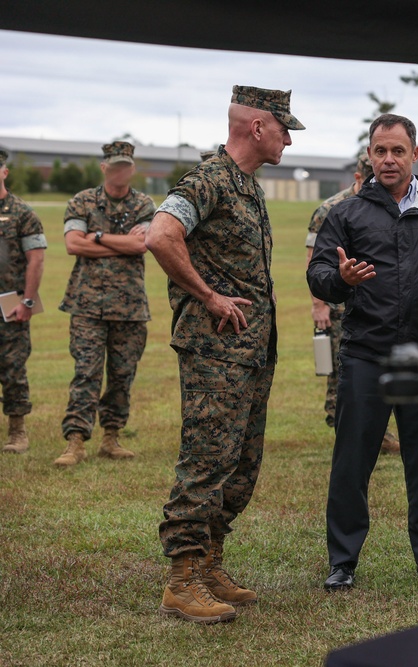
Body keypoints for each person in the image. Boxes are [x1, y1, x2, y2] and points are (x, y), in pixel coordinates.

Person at [307, 113, 418, 591]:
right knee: (352, 462)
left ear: (415, 154)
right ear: (369, 155)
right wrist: (339, 282)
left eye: (397, 151)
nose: (388, 160)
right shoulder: (346, 214)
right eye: (380, 151)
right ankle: (342, 561)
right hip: (367, 354)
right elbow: (318, 274)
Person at [146, 85, 304, 623]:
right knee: (207, 460)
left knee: (240, 465)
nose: (288, 138)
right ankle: (182, 580)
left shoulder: (249, 187)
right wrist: (208, 295)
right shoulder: (209, 178)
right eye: (284, 128)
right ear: (257, 127)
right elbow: (161, 235)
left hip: (250, 351)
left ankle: (210, 563)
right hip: (214, 351)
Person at [53, 140, 155, 467]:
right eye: (114, 166)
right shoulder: (82, 201)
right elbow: (72, 245)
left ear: (133, 168)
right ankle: (75, 442)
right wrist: (120, 243)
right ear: (103, 167)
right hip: (86, 305)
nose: (119, 171)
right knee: (86, 373)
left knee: (122, 375)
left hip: (129, 307)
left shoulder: (144, 205)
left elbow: (142, 245)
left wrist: (95, 238)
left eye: (125, 166)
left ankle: (111, 438)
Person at [306, 153, 399, 454]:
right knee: (340, 370)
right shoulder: (330, 210)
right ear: (359, 177)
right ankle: (343, 426)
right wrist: (319, 305)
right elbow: (314, 262)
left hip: (373, 307)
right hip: (336, 304)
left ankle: (377, 431)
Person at [0, 149, 46, 454]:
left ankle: (17, 432)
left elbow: (36, 260)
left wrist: (28, 302)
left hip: (9, 302)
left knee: (12, 367)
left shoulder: (22, 213)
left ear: (4, 172)